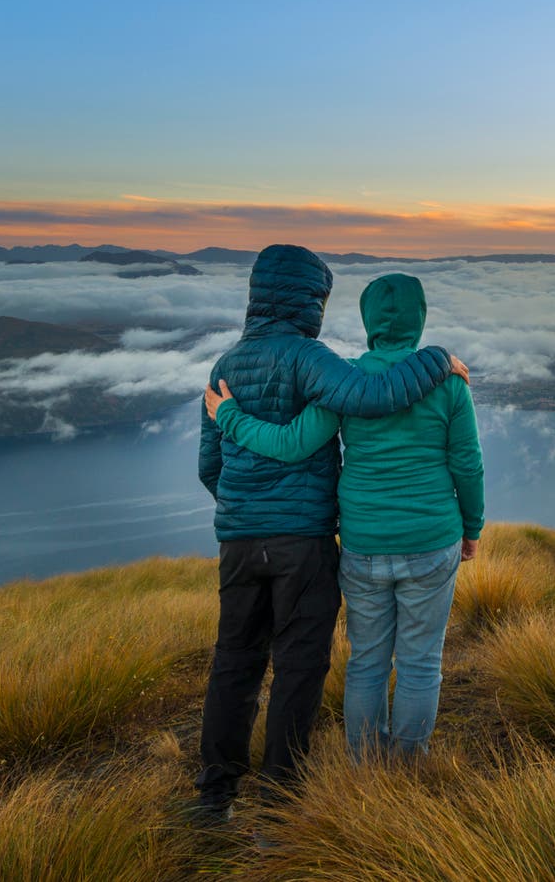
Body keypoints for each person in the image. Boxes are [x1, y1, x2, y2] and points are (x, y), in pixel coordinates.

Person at [191, 245, 469, 824]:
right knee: (299, 663)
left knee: (234, 661)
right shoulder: (310, 360)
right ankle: (279, 798)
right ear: (309, 300)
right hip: (305, 541)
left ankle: (214, 795)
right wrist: (439, 359)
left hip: (240, 541)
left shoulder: (222, 366)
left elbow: (208, 467)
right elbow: (371, 398)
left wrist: (245, 508)